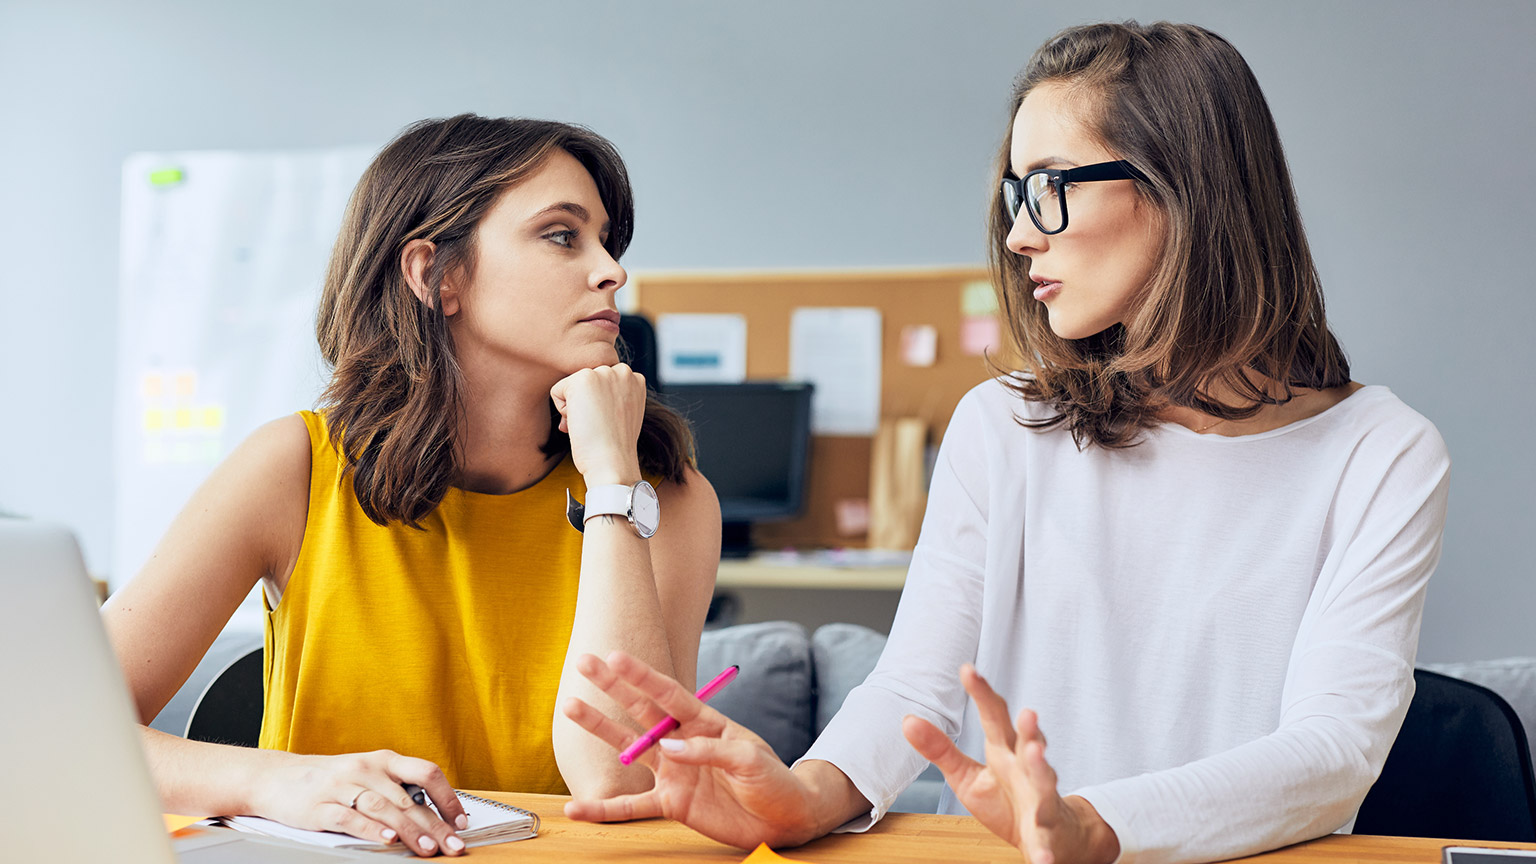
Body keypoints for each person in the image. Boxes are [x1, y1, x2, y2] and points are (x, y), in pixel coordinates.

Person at [559, 21, 1450, 864]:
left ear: (1185, 187)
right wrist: (807, 795)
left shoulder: (1381, 454)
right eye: (1015, 194)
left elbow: (1335, 749)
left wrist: (1097, 828)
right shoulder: (1006, 425)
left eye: (1052, 186)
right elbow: (914, 690)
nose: (1021, 234)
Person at [102, 115, 721, 858]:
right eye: (563, 235)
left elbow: (615, 783)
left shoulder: (665, 498)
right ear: (435, 274)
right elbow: (50, 724)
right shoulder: (295, 468)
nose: (612, 271)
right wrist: (274, 780)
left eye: (608, 243)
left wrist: (614, 486)